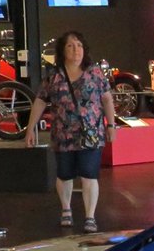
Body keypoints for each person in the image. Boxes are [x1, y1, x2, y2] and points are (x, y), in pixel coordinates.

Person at [24, 31, 116, 233]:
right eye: (71, 46)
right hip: (63, 134)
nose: (76, 50)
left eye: (79, 45)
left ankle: (90, 215)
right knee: (64, 174)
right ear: (62, 51)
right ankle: (66, 209)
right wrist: (30, 128)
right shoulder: (54, 75)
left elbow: (107, 99)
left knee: (89, 174)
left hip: (91, 133)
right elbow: (40, 101)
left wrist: (112, 125)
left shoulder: (95, 73)